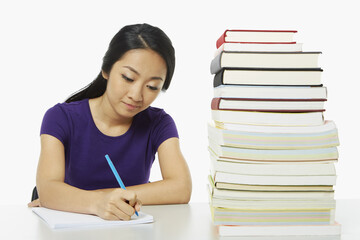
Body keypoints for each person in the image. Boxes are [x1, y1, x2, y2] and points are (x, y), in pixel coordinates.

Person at [27, 23, 192, 221]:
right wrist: (97, 202)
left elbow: (181, 188)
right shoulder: (61, 117)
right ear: (106, 70)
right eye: (128, 78)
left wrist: (77, 198)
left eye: (152, 86)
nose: (136, 95)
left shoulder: (159, 123)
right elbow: (48, 189)